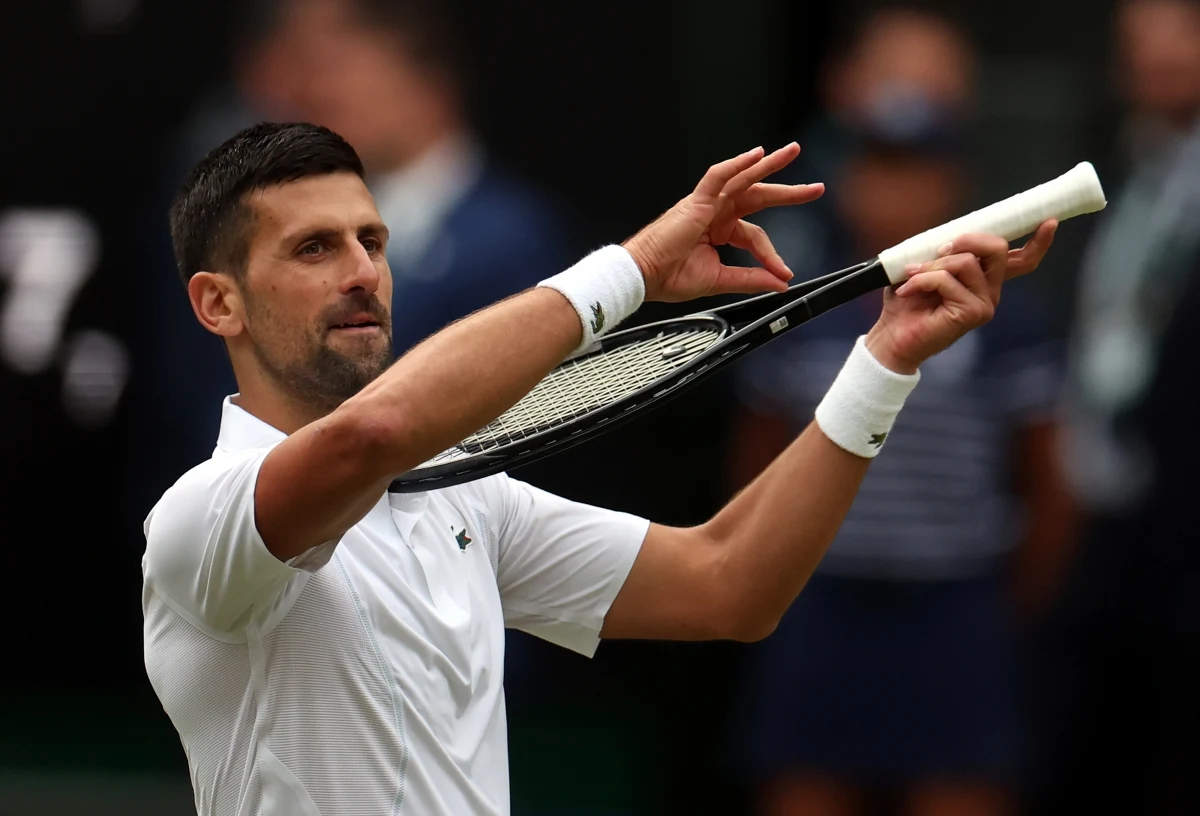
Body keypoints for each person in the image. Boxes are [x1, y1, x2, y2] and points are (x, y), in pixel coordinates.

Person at [140, 121, 1055, 816]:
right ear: (218, 303)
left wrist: (887, 358)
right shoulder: (199, 519)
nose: (362, 273)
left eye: (371, 243)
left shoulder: (464, 496)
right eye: (313, 248)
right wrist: (634, 268)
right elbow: (374, 432)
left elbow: (731, 583)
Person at [725, 11, 1076, 816]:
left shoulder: (1009, 323)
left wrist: (999, 606)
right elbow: (752, 465)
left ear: (956, 185)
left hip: (955, 612)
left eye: (919, 170)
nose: (898, 193)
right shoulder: (796, 305)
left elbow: (1051, 489)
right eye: (879, 168)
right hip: (820, 603)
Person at [131, 0, 570, 518]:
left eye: (344, 73)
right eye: (315, 74)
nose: (319, 96)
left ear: (428, 84)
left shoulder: (514, 239)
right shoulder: (279, 219)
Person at [1031, 1, 1200, 813]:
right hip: (1101, 508)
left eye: (1181, 33)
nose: (1155, 55)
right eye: (1137, 40)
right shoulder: (1126, 162)